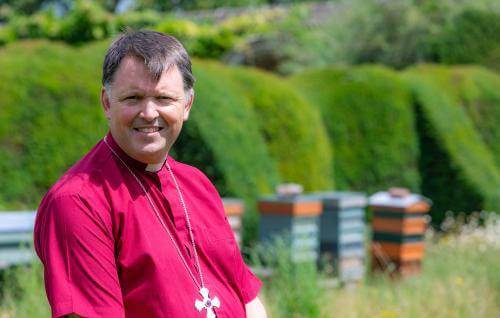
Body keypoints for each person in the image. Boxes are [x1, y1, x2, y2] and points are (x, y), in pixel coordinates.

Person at [34, 30, 267, 318]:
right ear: (107, 103)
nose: (148, 112)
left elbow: (247, 298)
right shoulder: (77, 201)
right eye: (133, 98)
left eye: (164, 98)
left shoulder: (198, 184)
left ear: (187, 105)